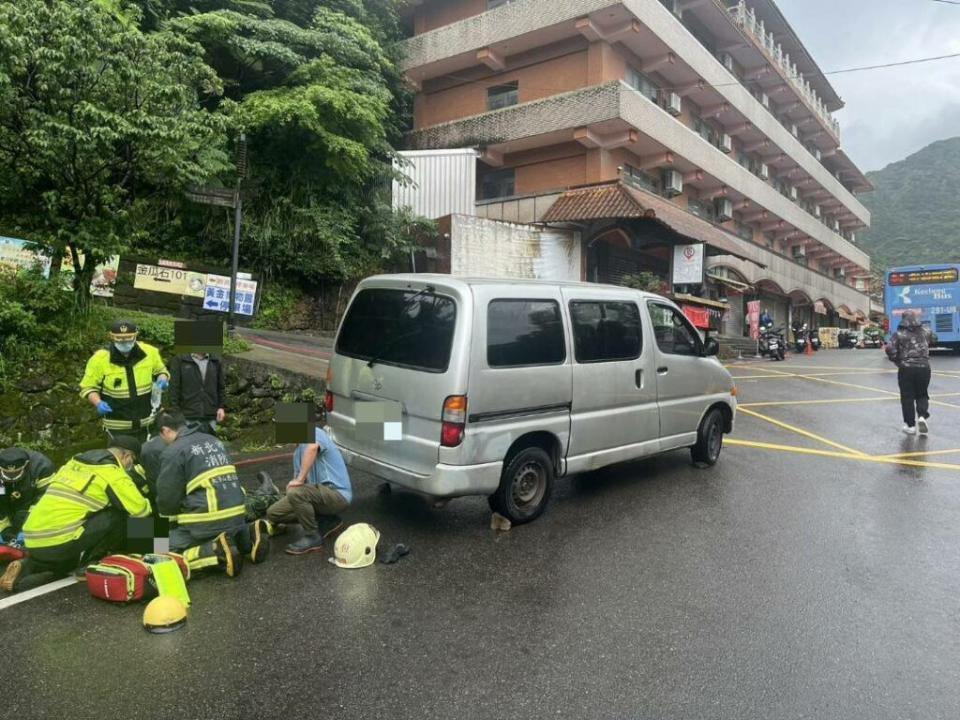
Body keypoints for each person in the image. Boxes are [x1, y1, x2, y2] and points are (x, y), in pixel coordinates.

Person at [0, 436, 152, 593]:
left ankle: (27, 568)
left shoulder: (74, 462)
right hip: (59, 541)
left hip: (32, 540)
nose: (130, 465)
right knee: (117, 514)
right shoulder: (111, 473)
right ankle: (89, 564)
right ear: (125, 456)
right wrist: (157, 543)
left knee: (66, 564)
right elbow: (140, 511)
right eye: (132, 460)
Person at [154, 410, 269, 577]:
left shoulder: (173, 452)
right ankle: (248, 538)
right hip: (238, 514)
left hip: (205, 522)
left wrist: (164, 527)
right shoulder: (214, 441)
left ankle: (215, 552)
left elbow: (167, 500)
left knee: (157, 548)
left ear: (165, 430)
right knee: (226, 530)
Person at [266, 422, 352, 555]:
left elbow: (312, 448)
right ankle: (327, 520)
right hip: (317, 497)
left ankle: (312, 536)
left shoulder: (314, 432)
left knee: (296, 493)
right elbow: (297, 491)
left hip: (337, 495)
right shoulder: (297, 454)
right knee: (273, 513)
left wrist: (299, 479)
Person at [80, 320, 170, 443]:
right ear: (111, 337)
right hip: (118, 428)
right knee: (121, 461)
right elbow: (88, 387)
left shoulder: (149, 352)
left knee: (150, 458)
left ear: (136, 335)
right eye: (119, 339)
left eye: (128, 338)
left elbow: (161, 371)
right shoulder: (99, 359)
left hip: (149, 424)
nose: (124, 342)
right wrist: (98, 403)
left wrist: (162, 379)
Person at [885, 310, 938, 435]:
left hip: (906, 368)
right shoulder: (926, 331)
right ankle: (922, 417)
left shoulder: (898, 334)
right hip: (924, 367)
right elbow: (935, 338)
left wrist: (897, 360)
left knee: (907, 397)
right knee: (922, 394)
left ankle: (910, 426)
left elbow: (889, 349)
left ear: (903, 319)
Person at [0, 447, 56, 545]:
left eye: (16, 473)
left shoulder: (43, 467)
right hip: (9, 502)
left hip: (32, 500)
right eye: (8, 474)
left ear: (26, 465)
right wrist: (4, 528)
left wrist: (28, 528)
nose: (12, 477)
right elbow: (1, 502)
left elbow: (45, 501)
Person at [168, 352, 227, 434]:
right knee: (188, 445)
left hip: (210, 414)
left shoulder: (216, 359)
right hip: (187, 415)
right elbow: (174, 388)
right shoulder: (180, 359)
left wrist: (221, 407)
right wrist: (175, 413)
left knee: (208, 444)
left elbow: (221, 386)